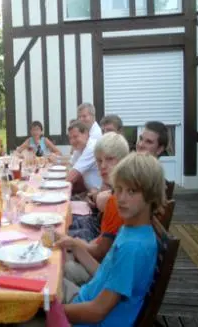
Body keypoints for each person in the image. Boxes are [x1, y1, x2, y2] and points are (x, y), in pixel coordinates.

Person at [60, 152, 164, 326]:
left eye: (131, 191)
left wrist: (49, 312)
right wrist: (76, 247)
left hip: (87, 319)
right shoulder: (131, 229)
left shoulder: (133, 247)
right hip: (84, 298)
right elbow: (104, 274)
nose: (121, 199)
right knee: (44, 279)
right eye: (118, 189)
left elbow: (97, 312)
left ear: (151, 195)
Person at [65, 133, 130, 285]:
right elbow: (102, 240)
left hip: (105, 277)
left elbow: (100, 253)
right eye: (99, 161)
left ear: (123, 161)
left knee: (59, 266)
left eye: (109, 159)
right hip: (106, 267)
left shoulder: (117, 202)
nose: (103, 165)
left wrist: (77, 245)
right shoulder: (117, 192)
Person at [66, 120, 102, 194]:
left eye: (75, 137)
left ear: (86, 134)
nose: (72, 141)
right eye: (70, 138)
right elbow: (70, 168)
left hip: (98, 195)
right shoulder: (79, 148)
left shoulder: (92, 148)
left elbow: (71, 176)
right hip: (88, 192)